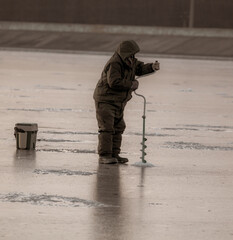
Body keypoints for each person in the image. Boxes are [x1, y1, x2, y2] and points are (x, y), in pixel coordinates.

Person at [93, 40, 160, 164]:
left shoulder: (130, 61)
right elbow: (113, 82)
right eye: (131, 54)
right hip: (105, 100)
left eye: (134, 54)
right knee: (107, 128)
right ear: (125, 53)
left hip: (118, 101)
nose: (133, 56)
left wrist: (151, 67)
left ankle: (114, 154)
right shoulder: (115, 64)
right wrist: (131, 84)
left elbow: (139, 68)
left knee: (118, 127)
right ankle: (105, 156)